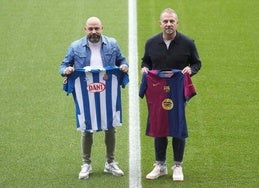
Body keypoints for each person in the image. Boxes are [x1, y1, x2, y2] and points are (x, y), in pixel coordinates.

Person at [59, 16, 129, 179]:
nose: (94, 32)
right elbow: (63, 65)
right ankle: (86, 164)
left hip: (107, 93)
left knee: (110, 126)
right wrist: (67, 70)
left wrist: (125, 66)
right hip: (86, 93)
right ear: (85, 30)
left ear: (102, 28)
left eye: (96, 28)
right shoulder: (75, 47)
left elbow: (122, 60)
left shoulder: (112, 43)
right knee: (86, 128)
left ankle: (110, 163)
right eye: (90, 29)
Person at [140, 8, 201, 181]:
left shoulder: (188, 43)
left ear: (177, 23)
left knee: (177, 126)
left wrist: (191, 69)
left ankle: (178, 165)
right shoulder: (151, 43)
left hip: (178, 91)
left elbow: (197, 63)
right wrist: (144, 67)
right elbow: (146, 60)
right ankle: (160, 165)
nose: (168, 24)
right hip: (157, 91)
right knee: (159, 126)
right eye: (165, 21)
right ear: (160, 23)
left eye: (171, 21)